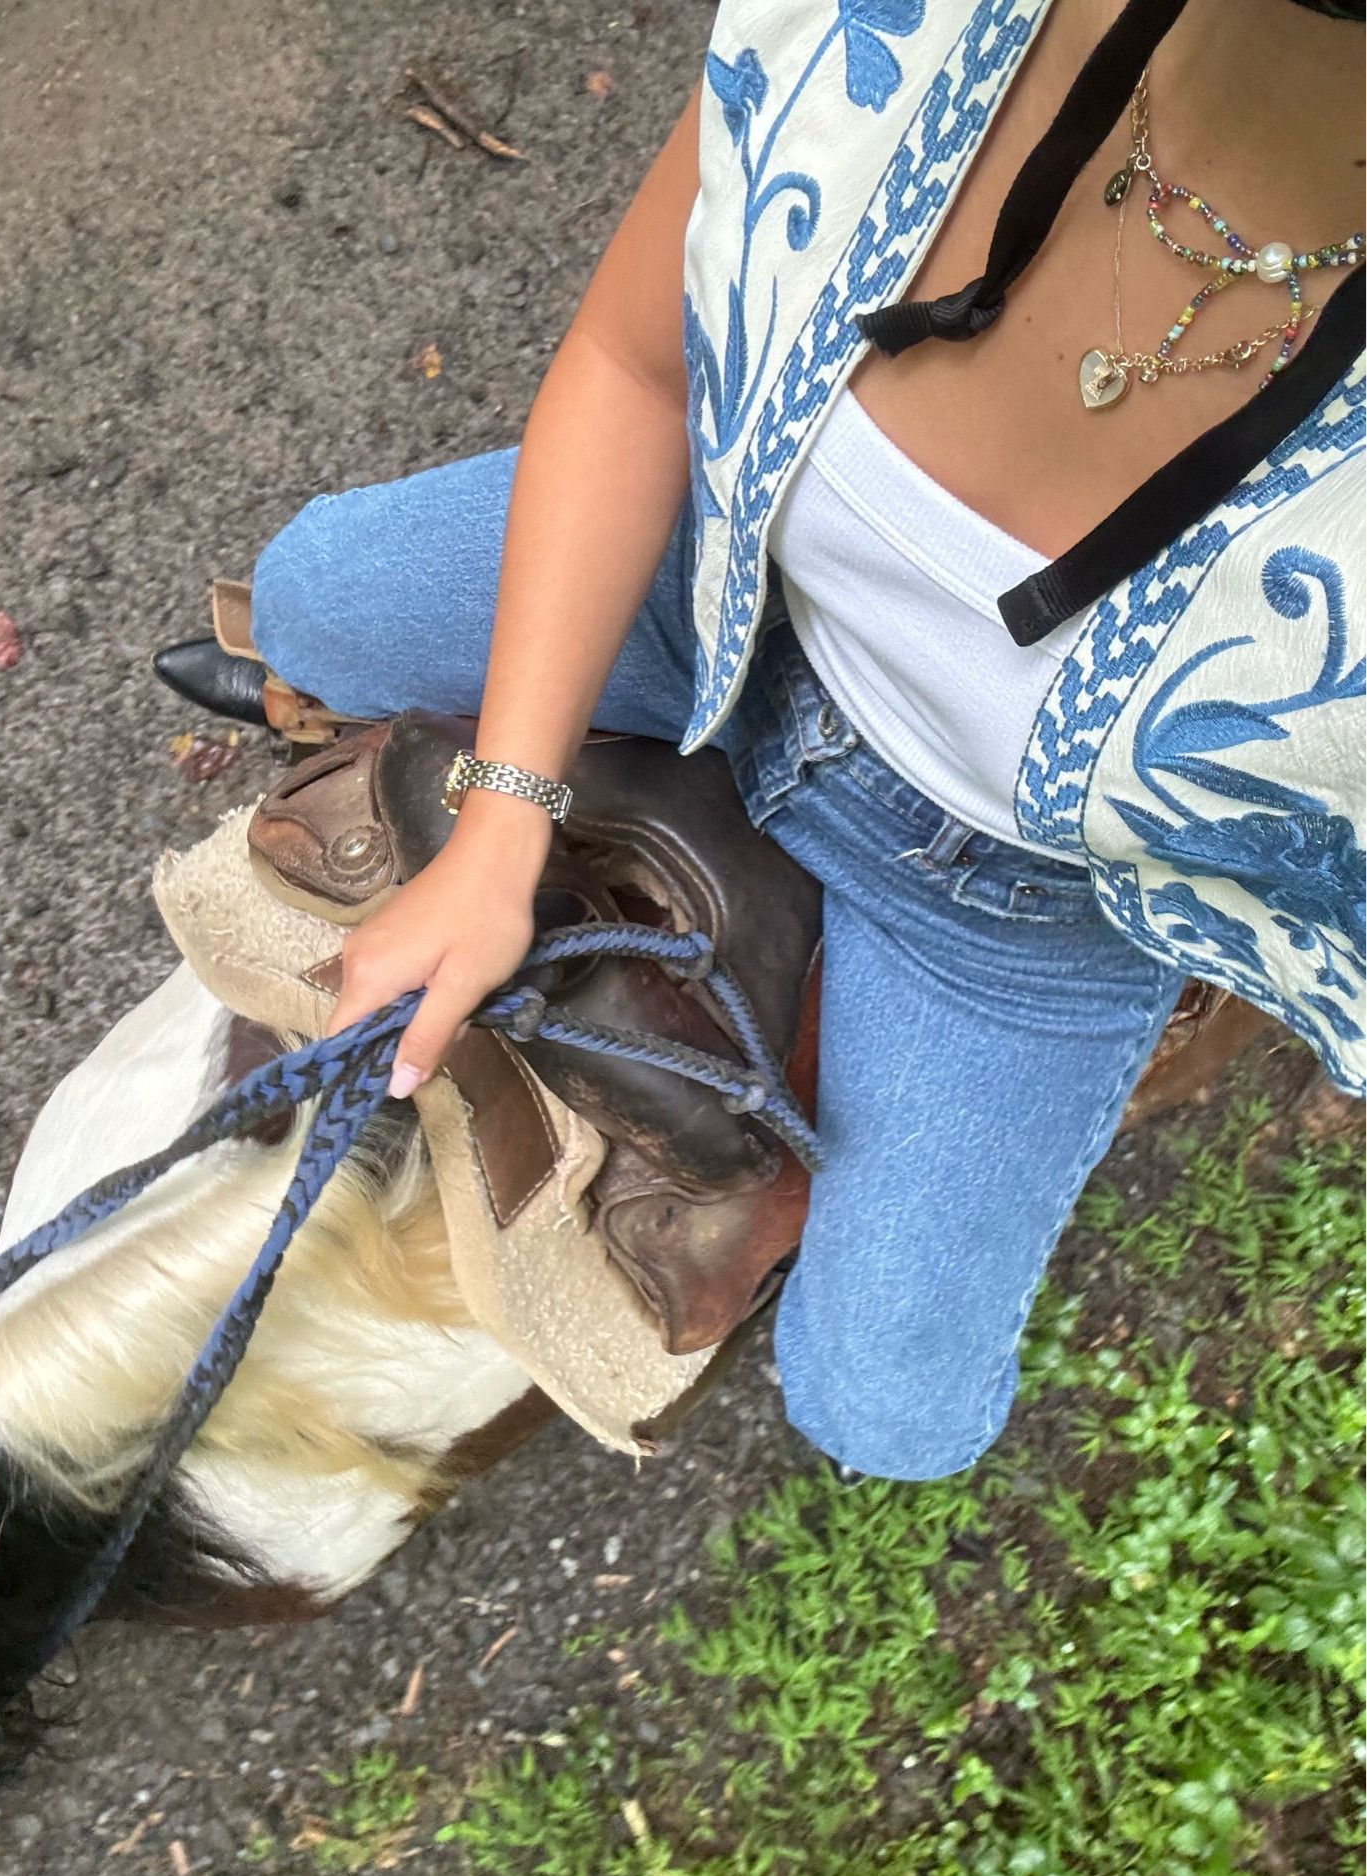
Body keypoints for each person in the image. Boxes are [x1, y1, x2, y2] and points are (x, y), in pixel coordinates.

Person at [155, 0, 1364, 1481]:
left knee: (888, 1413)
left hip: (1002, 895)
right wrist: (504, 821)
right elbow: (633, 367)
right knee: (307, 598)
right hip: (725, 590)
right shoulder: (895, 27)